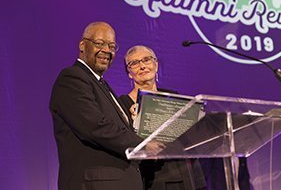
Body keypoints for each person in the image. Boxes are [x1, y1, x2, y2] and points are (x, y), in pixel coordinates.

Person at [49, 22, 162, 190]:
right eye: (99, 43)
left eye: (111, 46)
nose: (107, 50)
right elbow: (94, 126)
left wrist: (133, 121)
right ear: (82, 45)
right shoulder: (72, 78)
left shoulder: (101, 84)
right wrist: (142, 144)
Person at [119, 45, 207, 190]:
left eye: (146, 60)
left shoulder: (174, 98)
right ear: (129, 73)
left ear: (156, 64)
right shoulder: (122, 104)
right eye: (134, 63)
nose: (142, 66)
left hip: (183, 171)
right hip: (150, 177)